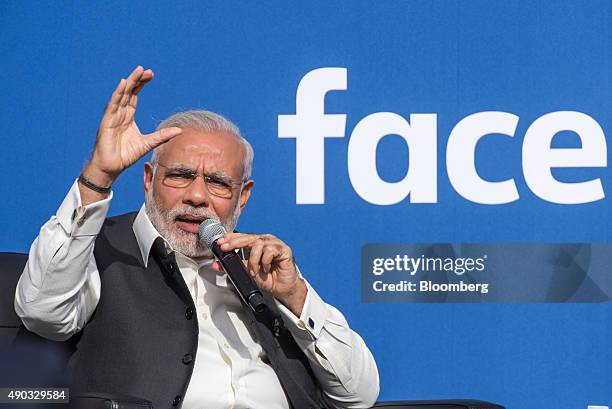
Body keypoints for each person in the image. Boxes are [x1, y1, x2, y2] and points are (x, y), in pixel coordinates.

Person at [14, 66, 379, 409]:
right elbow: (43, 312)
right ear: (148, 180)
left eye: (218, 183)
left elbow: (359, 395)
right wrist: (99, 175)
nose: (197, 196)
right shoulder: (99, 248)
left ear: (243, 196)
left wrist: (296, 296)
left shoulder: (259, 266)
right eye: (180, 175)